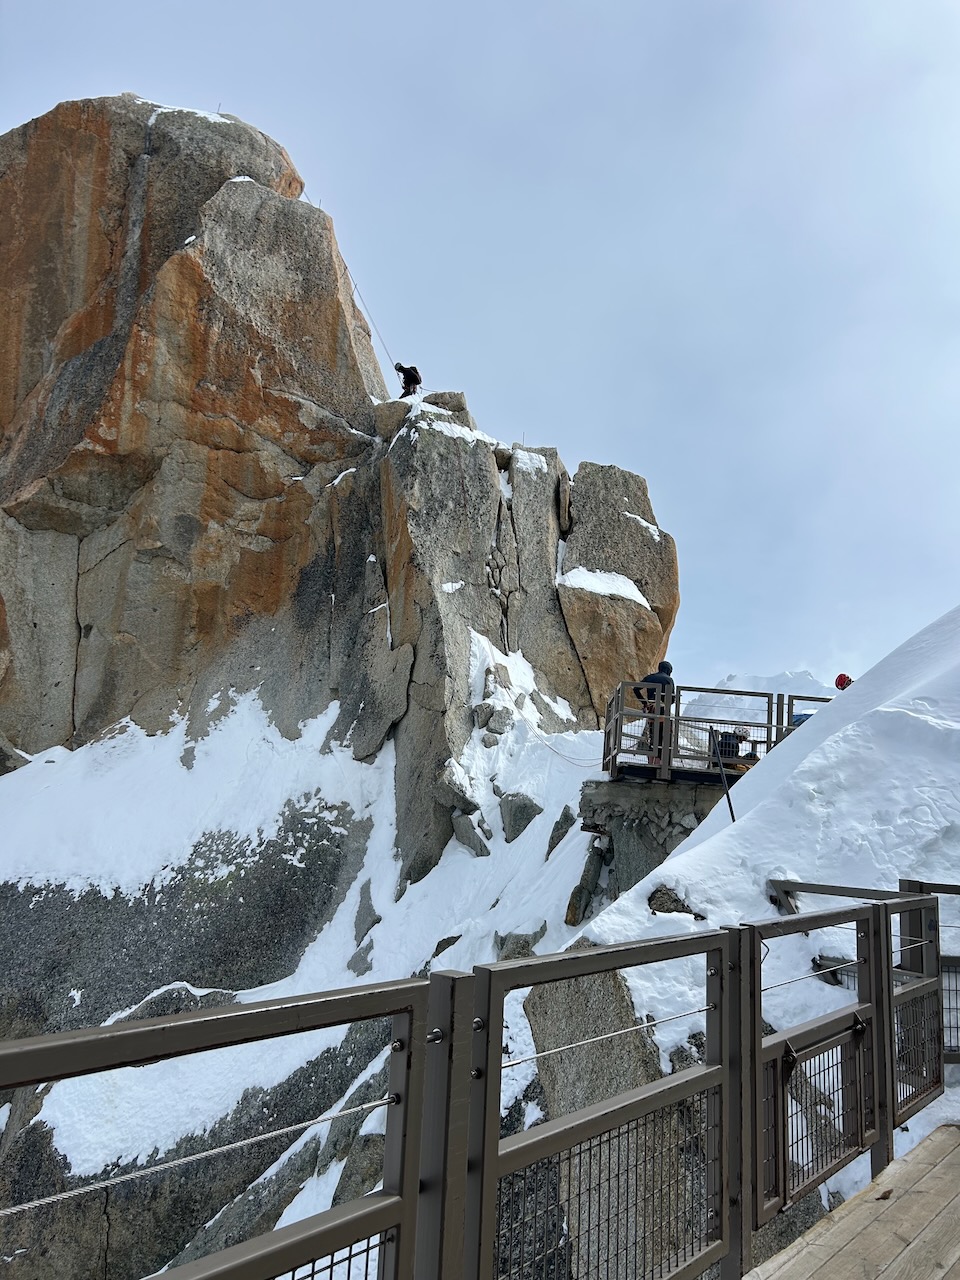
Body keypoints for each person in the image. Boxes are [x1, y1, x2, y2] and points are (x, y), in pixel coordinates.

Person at [633, 661, 674, 764]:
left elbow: (636, 689)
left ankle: (651, 761)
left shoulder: (650, 677)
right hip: (663, 712)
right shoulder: (669, 680)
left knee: (652, 737)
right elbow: (672, 699)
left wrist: (645, 703)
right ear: (668, 670)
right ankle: (659, 762)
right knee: (663, 739)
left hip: (651, 711)